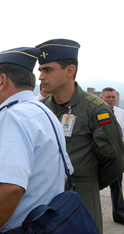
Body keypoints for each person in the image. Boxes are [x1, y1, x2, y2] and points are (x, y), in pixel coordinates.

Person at [0, 47, 73, 233]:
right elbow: (64, 175)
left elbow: (10, 188)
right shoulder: (45, 113)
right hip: (44, 225)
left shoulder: (13, 116)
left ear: (2, 81)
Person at [36, 39, 124, 233]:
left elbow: (115, 160)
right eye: (40, 70)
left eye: (47, 70)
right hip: (46, 198)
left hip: (81, 198)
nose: (41, 76)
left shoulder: (96, 110)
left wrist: (87, 182)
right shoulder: (41, 109)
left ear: (70, 70)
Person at [100, 87, 124, 224]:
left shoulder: (121, 113)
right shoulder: (96, 112)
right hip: (98, 155)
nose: (110, 100)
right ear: (101, 98)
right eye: (108, 97)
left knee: (117, 186)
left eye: (113, 97)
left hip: (115, 156)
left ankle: (119, 213)